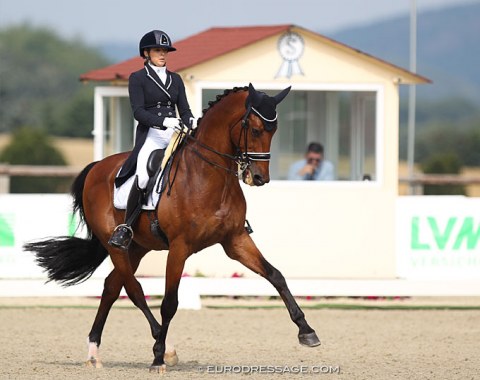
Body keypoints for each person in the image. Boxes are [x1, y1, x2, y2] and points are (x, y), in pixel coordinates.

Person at [108, 30, 196, 250]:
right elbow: (138, 112)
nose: (163, 54)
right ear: (146, 53)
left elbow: (184, 110)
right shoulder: (137, 78)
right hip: (152, 135)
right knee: (144, 175)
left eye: (165, 50)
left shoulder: (175, 79)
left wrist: (191, 120)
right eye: (158, 50)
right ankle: (126, 227)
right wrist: (164, 121)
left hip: (176, 134)